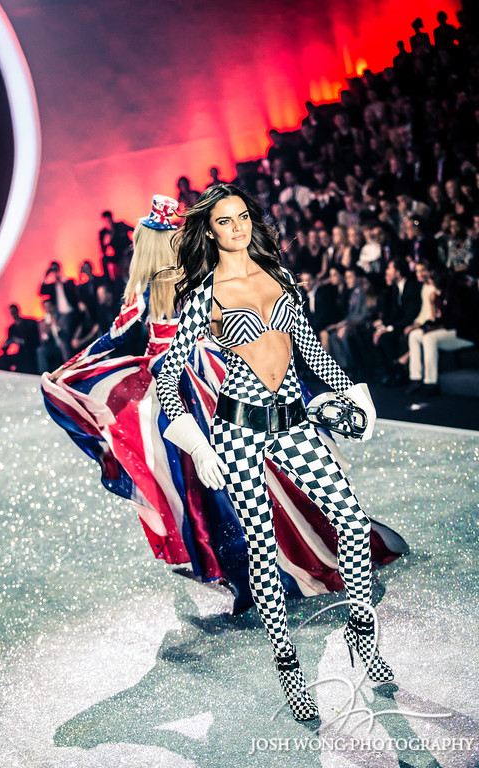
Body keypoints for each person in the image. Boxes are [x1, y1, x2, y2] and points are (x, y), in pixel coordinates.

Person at [156, 184, 399, 722]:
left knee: (351, 522)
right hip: (238, 433)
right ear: (209, 231)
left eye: (243, 216)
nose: (238, 227)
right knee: (263, 551)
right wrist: (197, 444)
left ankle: (362, 635)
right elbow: (166, 376)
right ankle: (289, 668)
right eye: (225, 221)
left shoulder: (281, 278)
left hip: (294, 424)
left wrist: (354, 394)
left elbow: (310, 351)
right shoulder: (204, 297)